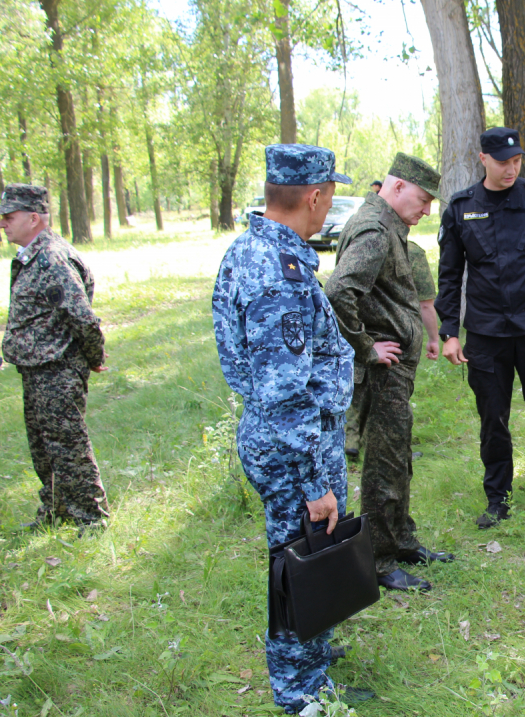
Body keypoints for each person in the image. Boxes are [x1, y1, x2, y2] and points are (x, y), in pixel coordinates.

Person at [211, 144, 372, 712]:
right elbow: (284, 397)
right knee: (299, 563)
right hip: (292, 449)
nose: (329, 206)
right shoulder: (276, 275)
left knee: (310, 555)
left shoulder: (252, 249)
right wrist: (314, 485)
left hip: (286, 438)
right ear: (315, 196)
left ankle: (313, 659)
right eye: (329, 194)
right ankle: (300, 693)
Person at [437, 127, 525, 529]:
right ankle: (497, 499)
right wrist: (450, 330)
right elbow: (449, 274)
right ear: (483, 159)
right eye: (503, 162)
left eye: (516, 161)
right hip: (485, 333)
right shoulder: (462, 207)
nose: (511, 169)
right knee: (492, 420)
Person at [325, 153, 453, 593]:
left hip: (394, 372)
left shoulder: (388, 225)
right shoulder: (376, 230)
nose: (426, 210)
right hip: (382, 373)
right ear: (397, 187)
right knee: (383, 465)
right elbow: (339, 290)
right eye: (422, 199)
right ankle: (379, 561)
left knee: (396, 458)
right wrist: (366, 347)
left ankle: (400, 540)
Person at [0, 184, 109, 531]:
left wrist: (93, 357)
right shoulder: (32, 255)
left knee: (68, 446)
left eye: (9, 217)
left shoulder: (52, 259)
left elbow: (83, 317)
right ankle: (57, 512)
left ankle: (91, 519)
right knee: (43, 447)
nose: (2, 224)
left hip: (57, 368)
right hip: (37, 369)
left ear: (33, 218)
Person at [342, 239, 441, 462]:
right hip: (396, 334)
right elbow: (426, 303)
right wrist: (433, 338)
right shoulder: (412, 251)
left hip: (360, 327)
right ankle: (395, 451)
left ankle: (352, 440)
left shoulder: (358, 243)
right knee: (393, 395)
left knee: (357, 382)